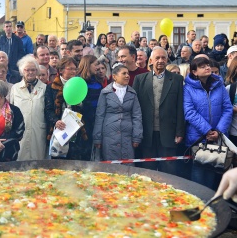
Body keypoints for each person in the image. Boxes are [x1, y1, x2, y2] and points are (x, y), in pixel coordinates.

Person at [132, 46, 185, 176]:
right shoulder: (140, 79)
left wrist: (179, 131)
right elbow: (135, 108)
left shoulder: (177, 79)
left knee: (169, 169)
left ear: (167, 60)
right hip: (146, 132)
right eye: (157, 58)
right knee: (147, 169)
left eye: (163, 58)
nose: (160, 60)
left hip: (168, 132)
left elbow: (180, 107)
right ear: (150, 60)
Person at [184, 57, 233, 190]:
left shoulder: (219, 85)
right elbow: (189, 112)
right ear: (194, 72)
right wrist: (207, 130)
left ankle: (209, 207)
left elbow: (227, 108)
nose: (207, 68)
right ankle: (198, 205)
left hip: (217, 137)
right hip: (198, 138)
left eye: (208, 65)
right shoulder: (188, 88)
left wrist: (218, 131)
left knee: (211, 174)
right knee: (198, 175)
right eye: (202, 66)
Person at [93, 63, 143, 162]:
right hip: (109, 136)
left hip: (127, 137)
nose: (127, 76)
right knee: (110, 167)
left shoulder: (132, 93)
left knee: (127, 166)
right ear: (115, 77)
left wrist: (137, 137)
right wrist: (97, 138)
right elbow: (100, 116)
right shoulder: (105, 92)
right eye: (124, 73)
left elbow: (137, 116)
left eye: (128, 73)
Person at [44, 56, 88, 160]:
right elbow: (48, 109)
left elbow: (86, 107)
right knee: (59, 162)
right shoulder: (51, 87)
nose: (73, 71)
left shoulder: (79, 84)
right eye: (70, 68)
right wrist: (56, 121)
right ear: (61, 70)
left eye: (75, 69)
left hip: (76, 129)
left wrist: (80, 104)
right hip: (59, 128)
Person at [10, 55, 47, 161]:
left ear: (37, 71)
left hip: (38, 131)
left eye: (33, 70)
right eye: (27, 70)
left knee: (38, 163)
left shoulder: (45, 88)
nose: (30, 72)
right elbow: (11, 111)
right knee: (20, 162)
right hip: (20, 132)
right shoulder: (15, 88)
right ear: (22, 71)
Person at [78, 55, 102, 160]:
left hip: (96, 119)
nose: (98, 67)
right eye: (96, 64)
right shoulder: (79, 82)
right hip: (84, 122)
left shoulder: (97, 81)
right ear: (88, 65)